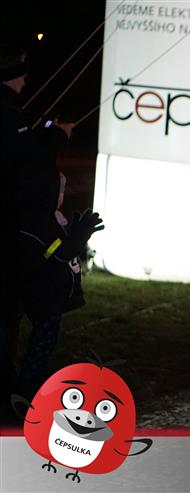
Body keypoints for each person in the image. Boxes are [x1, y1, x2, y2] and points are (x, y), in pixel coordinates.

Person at [0, 43, 103, 402]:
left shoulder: (41, 217)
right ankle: (22, 388)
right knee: (21, 328)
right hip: (40, 295)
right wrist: (75, 239)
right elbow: (52, 251)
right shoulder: (34, 221)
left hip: (37, 287)